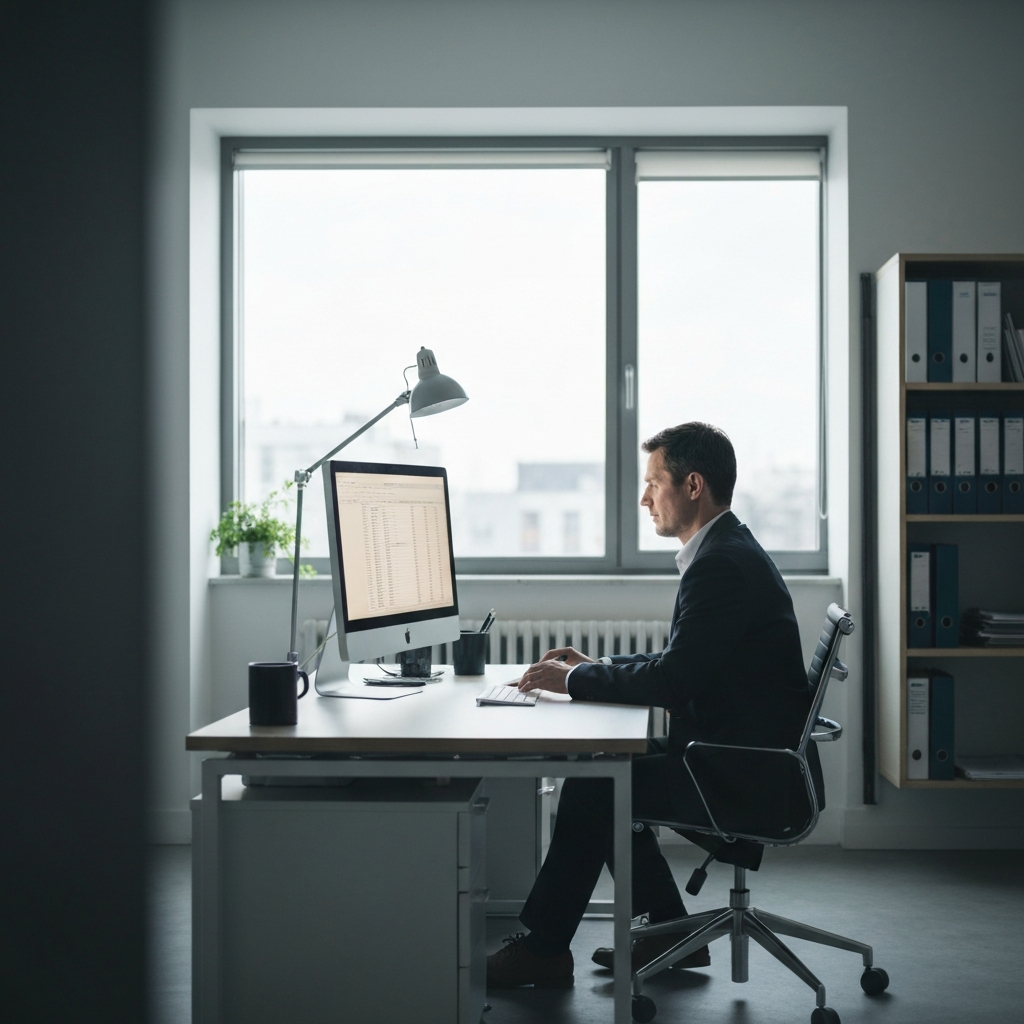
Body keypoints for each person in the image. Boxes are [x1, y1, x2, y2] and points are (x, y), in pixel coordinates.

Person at [486, 421, 823, 989]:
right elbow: (684, 660)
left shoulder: (720, 564)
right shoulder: (727, 548)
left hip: (742, 772)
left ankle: (545, 951)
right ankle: (667, 932)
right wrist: (597, 666)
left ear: (692, 485)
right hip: (743, 756)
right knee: (609, 777)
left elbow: (672, 680)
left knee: (599, 785)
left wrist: (577, 681)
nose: (644, 498)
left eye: (653, 483)